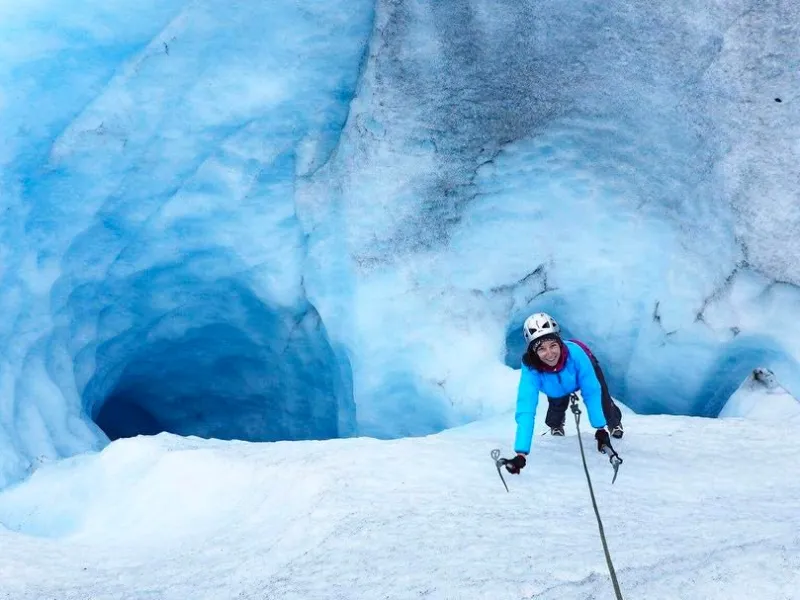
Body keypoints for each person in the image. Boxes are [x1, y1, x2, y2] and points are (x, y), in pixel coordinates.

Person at [504, 312, 624, 475]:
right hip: (554, 386)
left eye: (553, 345)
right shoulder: (531, 368)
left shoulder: (576, 355)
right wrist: (521, 453)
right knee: (556, 405)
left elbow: (591, 391)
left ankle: (613, 422)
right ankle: (556, 425)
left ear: (560, 343)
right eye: (541, 349)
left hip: (581, 372)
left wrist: (600, 428)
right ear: (533, 352)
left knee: (603, 401)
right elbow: (526, 407)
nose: (550, 353)